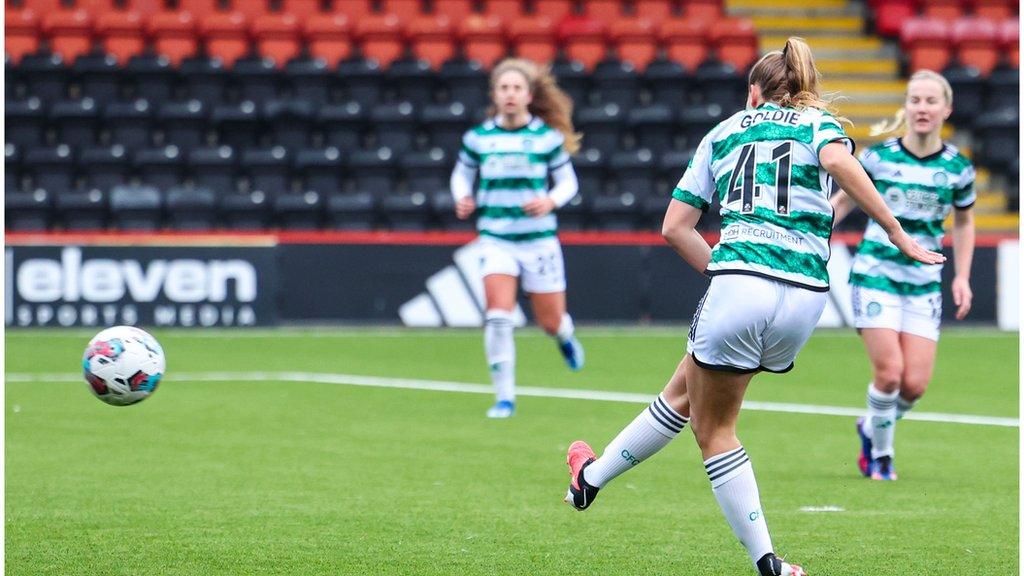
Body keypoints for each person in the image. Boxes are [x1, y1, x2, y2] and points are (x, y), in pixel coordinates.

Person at [562, 38, 945, 576]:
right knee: (684, 389)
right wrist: (895, 231)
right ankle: (590, 479)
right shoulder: (818, 124)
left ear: (754, 91)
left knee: (714, 429)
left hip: (742, 284)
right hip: (807, 298)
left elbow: (675, 227)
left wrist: (724, 272)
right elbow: (839, 162)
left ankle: (766, 560)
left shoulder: (721, 133)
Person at [830, 70, 976, 481]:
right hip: (875, 274)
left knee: (913, 386)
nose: (922, 108)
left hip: (923, 283)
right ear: (906, 107)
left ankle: (870, 424)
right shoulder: (879, 158)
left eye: (931, 101)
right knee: (890, 374)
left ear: (946, 109)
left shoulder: (958, 169)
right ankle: (881, 456)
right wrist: (817, 236)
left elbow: (964, 224)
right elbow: (842, 201)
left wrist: (961, 277)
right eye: (915, 100)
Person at [449, 58, 586, 419]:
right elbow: (461, 176)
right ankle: (504, 397)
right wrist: (462, 196)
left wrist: (550, 200)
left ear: (528, 95)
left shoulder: (545, 138)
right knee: (498, 315)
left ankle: (564, 337)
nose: (510, 94)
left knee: (550, 322)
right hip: (496, 238)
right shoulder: (479, 138)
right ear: (495, 95)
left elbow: (568, 182)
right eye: (503, 88)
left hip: (538, 241)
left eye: (516, 88)